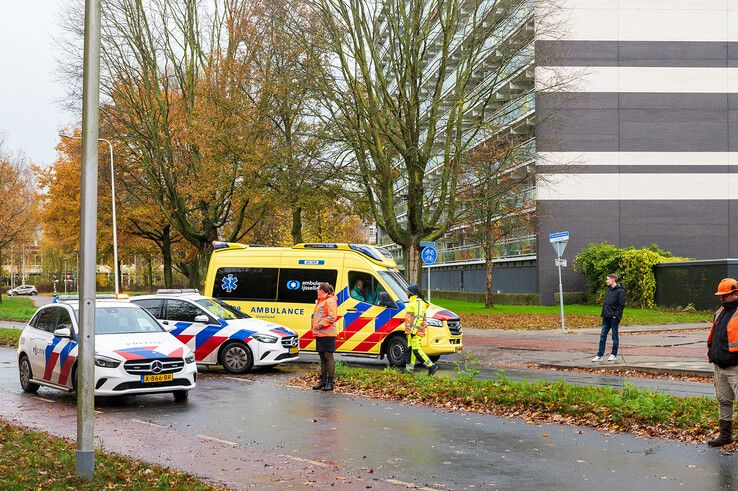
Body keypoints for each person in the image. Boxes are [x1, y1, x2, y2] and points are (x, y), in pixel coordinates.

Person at [707, 278, 738, 447]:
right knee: (724, 400)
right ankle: (725, 435)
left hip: (735, 366)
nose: (721, 298)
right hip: (720, 365)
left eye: (725, 295)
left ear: (735, 294)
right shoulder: (720, 311)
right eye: (721, 295)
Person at [404, 283, 439, 375]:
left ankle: (432, 366)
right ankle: (409, 369)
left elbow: (419, 317)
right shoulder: (413, 301)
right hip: (411, 331)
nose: (406, 293)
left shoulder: (418, 302)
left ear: (411, 292)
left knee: (416, 350)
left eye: (407, 291)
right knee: (410, 350)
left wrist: (413, 331)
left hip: (415, 331)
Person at [592, 273, 625, 362]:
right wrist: (603, 314)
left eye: (607, 279)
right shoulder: (608, 290)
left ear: (613, 279)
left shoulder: (620, 291)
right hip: (605, 317)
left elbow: (621, 305)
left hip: (614, 318)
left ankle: (613, 355)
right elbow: (606, 304)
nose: (606, 281)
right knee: (602, 336)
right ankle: (600, 355)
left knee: (614, 336)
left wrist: (615, 316)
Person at [312, 282, 338, 391]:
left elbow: (332, 316)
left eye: (318, 289)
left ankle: (330, 382)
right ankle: (323, 381)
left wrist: (321, 324)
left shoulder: (330, 300)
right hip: (320, 333)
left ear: (323, 290)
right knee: (322, 357)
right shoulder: (321, 301)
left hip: (327, 333)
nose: (317, 291)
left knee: (328, 356)